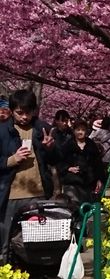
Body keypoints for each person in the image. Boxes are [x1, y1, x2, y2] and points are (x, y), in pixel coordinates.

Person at [0, 88, 60, 262]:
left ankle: (34, 275)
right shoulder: (3, 131)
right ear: (11, 111)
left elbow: (59, 160)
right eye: (19, 113)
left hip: (38, 193)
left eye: (28, 112)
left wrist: (51, 148)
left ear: (34, 110)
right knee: (7, 240)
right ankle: (8, 277)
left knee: (36, 239)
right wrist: (12, 160)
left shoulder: (43, 129)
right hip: (10, 195)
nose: (24, 117)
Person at [60, 118, 105, 207]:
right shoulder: (67, 145)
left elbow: (98, 163)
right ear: (74, 131)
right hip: (72, 181)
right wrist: (68, 168)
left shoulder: (91, 145)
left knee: (87, 207)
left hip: (89, 182)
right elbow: (60, 161)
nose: (80, 132)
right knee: (74, 205)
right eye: (78, 130)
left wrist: (99, 179)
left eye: (83, 130)